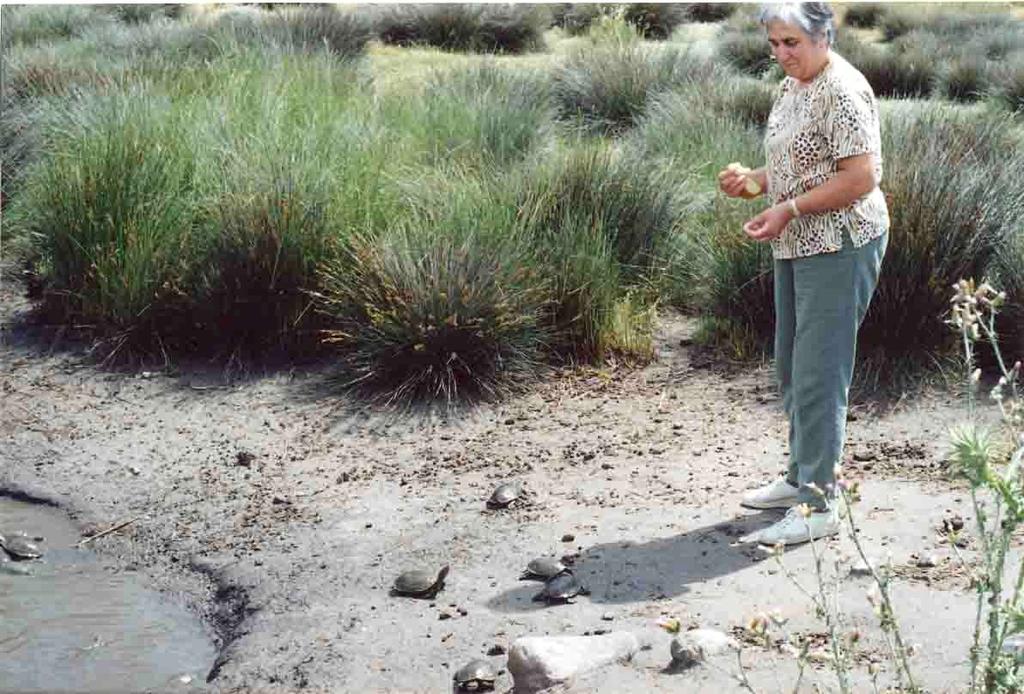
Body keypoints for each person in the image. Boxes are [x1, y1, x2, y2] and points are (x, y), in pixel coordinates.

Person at [717, 2, 889, 546]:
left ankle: (819, 505)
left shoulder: (843, 90)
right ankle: (800, 478)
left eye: (791, 42)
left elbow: (861, 177)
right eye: (774, 44)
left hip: (841, 243)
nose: (781, 54)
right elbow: (801, 165)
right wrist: (754, 181)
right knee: (792, 364)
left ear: (823, 38)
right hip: (798, 240)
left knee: (819, 372)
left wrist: (789, 208)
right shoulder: (796, 85)